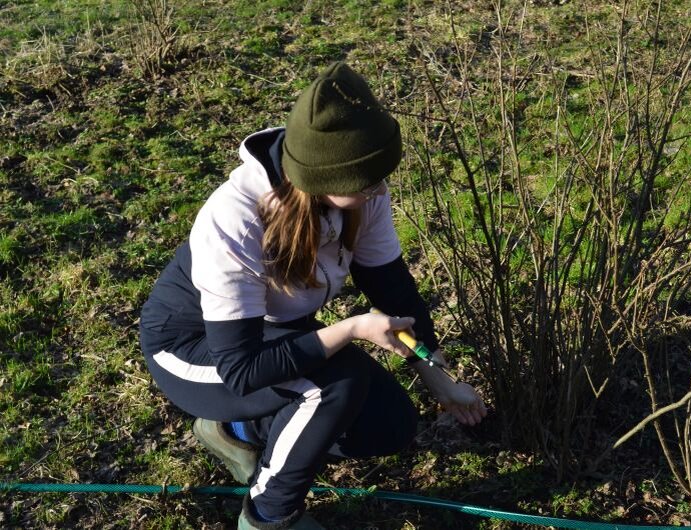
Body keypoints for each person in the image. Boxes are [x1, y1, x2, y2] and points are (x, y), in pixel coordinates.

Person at [138, 61, 487, 530]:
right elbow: (241, 369)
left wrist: (433, 370)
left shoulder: (359, 196)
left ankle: (237, 430)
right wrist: (353, 329)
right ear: (325, 179)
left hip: (266, 335)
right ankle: (268, 515)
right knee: (333, 381)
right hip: (195, 352)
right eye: (367, 183)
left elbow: (392, 287)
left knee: (388, 425)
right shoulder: (236, 219)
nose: (380, 191)